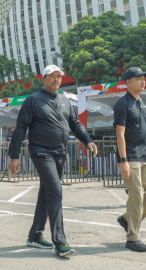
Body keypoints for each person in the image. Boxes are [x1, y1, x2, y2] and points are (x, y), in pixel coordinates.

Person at [8, 65, 98, 258]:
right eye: (53, 76)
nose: (57, 80)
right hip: (41, 152)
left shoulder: (65, 99)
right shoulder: (33, 100)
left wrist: (88, 140)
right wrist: (13, 156)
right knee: (55, 190)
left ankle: (35, 235)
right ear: (44, 78)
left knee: (46, 193)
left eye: (60, 77)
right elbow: (20, 128)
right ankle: (60, 241)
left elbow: (75, 123)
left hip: (60, 153)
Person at [114, 67, 146, 253]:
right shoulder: (122, 104)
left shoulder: (144, 104)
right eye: (139, 78)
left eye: (144, 78)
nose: (143, 81)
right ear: (128, 82)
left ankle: (127, 219)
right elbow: (120, 134)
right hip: (131, 157)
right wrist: (123, 160)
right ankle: (132, 238)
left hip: (145, 156)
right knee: (136, 197)